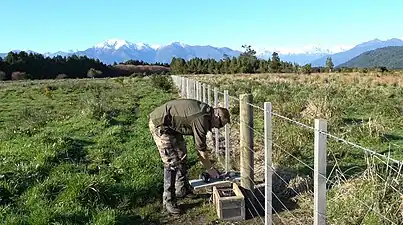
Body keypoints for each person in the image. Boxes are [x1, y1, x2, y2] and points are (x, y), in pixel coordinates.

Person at [148, 98, 230, 215]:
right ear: (216, 116)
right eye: (221, 124)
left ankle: (182, 190)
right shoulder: (201, 119)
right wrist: (210, 169)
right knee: (171, 162)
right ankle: (168, 200)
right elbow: (200, 150)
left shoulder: (206, 114)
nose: (219, 128)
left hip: (172, 126)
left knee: (182, 156)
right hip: (160, 124)